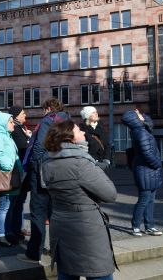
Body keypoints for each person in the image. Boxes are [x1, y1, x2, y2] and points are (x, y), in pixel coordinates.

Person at [43, 120, 117, 280]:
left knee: (67, 273)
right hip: (87, 230)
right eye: (78, 131)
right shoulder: (81, 163)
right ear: (70, 138)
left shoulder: (48, 162)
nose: (84, 133)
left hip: (61, 228)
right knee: (99, 274)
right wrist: (96, 166)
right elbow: (110, 194)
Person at [18, 98, 70, 263]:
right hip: (61, 172)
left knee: (38, 212)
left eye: (43, 109)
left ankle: (34, 253)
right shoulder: (68, 122)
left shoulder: (48, 120)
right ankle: (59, 251)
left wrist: (33, 168)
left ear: (48, 108)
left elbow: (39, 147)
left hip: (43, 172)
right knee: (57, 213)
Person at [122, 109, 163, 237]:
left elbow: (150, 124)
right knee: (144, 200)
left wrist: (142, 116)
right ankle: (135, 226)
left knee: (150, 200)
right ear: (135, 119)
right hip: (146, 170)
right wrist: (157, 163)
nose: (142, 115)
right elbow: (146, 153)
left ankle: (150, 226)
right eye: (139, 114)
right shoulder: (140, 132)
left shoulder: (142, 129)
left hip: (149, 171)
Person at [0, 111, 23, 247]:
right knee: (4, 207)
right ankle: (0, 235)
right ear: (3, 124)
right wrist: (10, 164)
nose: (13, 124)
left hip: (13, 176)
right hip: (6, 176)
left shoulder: (8, 137)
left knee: (9, 207)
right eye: (10, 122)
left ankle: (8, 233)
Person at [9, 106, 32, 239]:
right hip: (18, 170)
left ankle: (19, 228)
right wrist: (29, 139)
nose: (25, 115)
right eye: (23, 113)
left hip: (22, 170)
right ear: (17, 116)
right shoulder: (16, 129)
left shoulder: (20, 128)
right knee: (16, 202)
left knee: (19, 201)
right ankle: (14, 229)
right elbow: (23, 145)